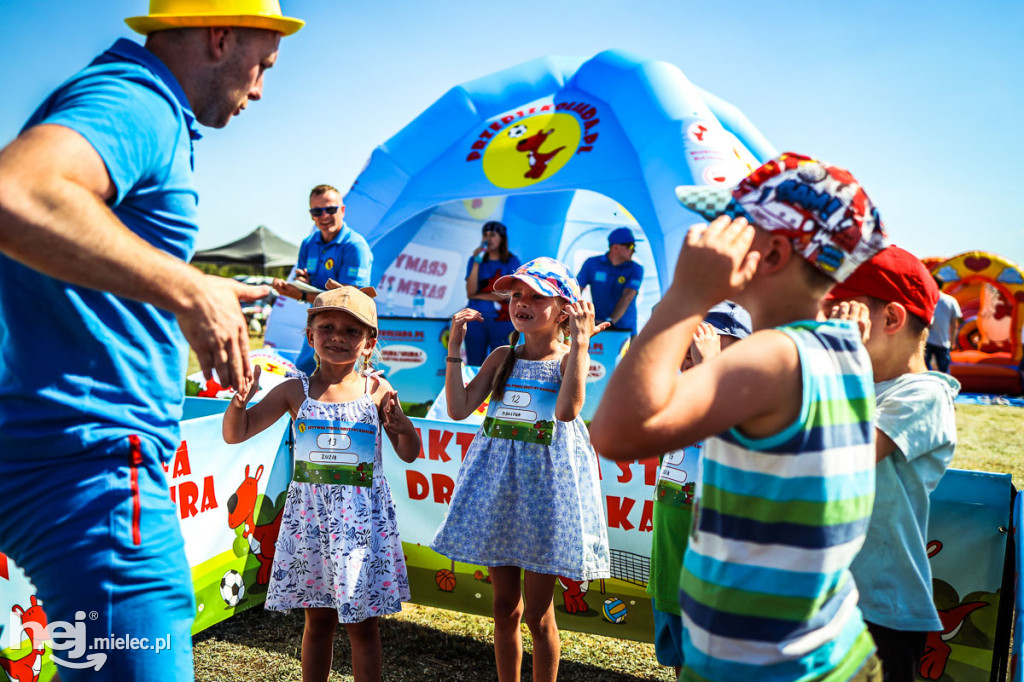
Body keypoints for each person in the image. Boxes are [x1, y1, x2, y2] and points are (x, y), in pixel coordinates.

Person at [0, 1, 302, 678]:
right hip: (92, 467)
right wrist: (187, 290)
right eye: (264, 66)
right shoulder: (140, 101)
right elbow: (16, 193)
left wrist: (195, 286)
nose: (260, 90)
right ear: (221, 36)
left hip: (64, 453)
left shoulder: (129, 97)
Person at [592, 152, 889, 682]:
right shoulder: (842, 347)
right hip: (830, 648)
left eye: (734, 224)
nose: (715, 235)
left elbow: (614, 432)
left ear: (771, 251)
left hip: (766, 667)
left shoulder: (769, 358)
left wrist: (685, 295)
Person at [224, 282, 420, 682]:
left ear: (369, 343)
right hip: (310, 523)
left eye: (352, 331)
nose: (337, 338)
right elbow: (237, 432)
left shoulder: (378, 390)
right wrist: (238, 402)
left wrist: (404, 428)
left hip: (361, 527)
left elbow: (409, 451)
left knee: (362, 626)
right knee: (318, 622)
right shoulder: (294, 390)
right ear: (310, 335)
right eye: (327, 327)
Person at [432, 257, 611, 682]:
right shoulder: (500, 357)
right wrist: (455, 348)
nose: (522, 303)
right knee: (503, 607)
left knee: (538, 614)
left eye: (536, 296)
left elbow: (567, 412)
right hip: (499, 491)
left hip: (546, 497)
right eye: (516, 295)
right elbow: (458, 409)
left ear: (563, 309)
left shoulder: (569, 358)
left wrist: (582, 345)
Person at [825, 246, 961, 682]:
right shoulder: (851, 386)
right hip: (825, 597)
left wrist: (839, 362)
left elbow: (848, 456)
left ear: (890, 319)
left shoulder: (925, 394)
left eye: (842, 315)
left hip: (880, 610)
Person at [648, 302, 751, 680]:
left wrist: (710, 371)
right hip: (670, 572)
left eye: (704, 346)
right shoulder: (677, 405)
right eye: (686, 351)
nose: (690, 360)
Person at [274, 184, 374, 374]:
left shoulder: (355, 246)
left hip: (348, 332)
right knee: (304, 375)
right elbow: (308, 284)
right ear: (311, 215)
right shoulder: (308, 243)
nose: (324, 216)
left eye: (330, 209)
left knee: (338, 385)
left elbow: (348, 303)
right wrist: (302, 283)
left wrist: (302, 295)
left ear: (342, 210)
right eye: (318, 211)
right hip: (319, 325)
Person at [462, 220, 522, 365]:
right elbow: (470, 292)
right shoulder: (474, 261)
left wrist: (479, 296)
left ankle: (499, 388)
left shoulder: (512, 261)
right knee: (475, 363)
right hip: (476, 319)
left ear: (501, 238)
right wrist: (477, 262)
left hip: (502, 320)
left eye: (492, 235)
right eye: (485, 234)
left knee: (503, 363)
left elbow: (510, 293)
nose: (488, 238)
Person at [576, 226, 644, 334]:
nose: (634, 250)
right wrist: (576, 315)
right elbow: (576, 290)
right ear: (615, 247)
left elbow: (628, 296)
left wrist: (610, 321)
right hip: (597, 326)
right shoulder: (592, 263)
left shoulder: (636, 269)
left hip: (625, 330)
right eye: (630, 245)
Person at [924, 277, 962, 374]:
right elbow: (954, 324)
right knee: (944, 371)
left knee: (924, 369)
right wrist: (952, 341)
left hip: (928, 340)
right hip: (943, 341)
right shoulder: (950, 301)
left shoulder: (928, 299)